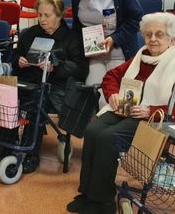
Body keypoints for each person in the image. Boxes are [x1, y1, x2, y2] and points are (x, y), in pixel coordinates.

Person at [66, 12, 175, 214]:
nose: (152, 39)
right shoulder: (140, 57)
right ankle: (88, 193)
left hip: (152, 120)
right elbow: (111, 76)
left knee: (108, 138)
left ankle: (103, 202)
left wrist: (150, 110)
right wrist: (113, 95)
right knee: (91, 131)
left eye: (159, 34)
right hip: (125, 109)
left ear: (171, 38)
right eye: (148, 34)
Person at [0, 0, 89, 173]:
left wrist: (55, 67)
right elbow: (13, 58)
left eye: (47, 15)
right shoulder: (29, 34)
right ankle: (6, 145)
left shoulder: (72, 38)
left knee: (36, 99)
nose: (42, 19)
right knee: (7, 93)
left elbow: (81, 69)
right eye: (40, 15)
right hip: (29, 79)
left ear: (59, 16)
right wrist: (18, 61)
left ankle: (31, 152)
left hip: (55, 84)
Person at [72, 0, 143, 108]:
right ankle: (99, 130)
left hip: (119, 52)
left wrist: (114, 39)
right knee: (94, 93)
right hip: (94, 53)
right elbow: (77, 27)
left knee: (119, 98)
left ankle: (118, 130)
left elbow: (136, 19)